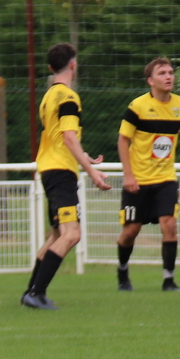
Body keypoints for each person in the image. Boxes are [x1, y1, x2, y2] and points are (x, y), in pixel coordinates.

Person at [115, 57, 180, 292]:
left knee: (169, 225)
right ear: (150, 81)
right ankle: (122, 270)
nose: (169, 77)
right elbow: (123, 140)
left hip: (166, 179)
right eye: (162, 73)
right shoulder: (137, 106)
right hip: (138, 180)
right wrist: (128, 175)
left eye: (171, 72)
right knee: (131, 231)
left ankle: (169, 280)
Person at [22, 42, 111, 310]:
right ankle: (37, 293)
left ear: (51, 67)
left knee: (57, 235)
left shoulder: (49, 95)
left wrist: (84, 158)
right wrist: (92, 171)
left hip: (49, 168)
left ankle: (30, 291)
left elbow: (60, 138)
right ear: (73, 64)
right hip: (61, 172)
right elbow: (69, 138)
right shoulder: (69, 97)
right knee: (72, 234)